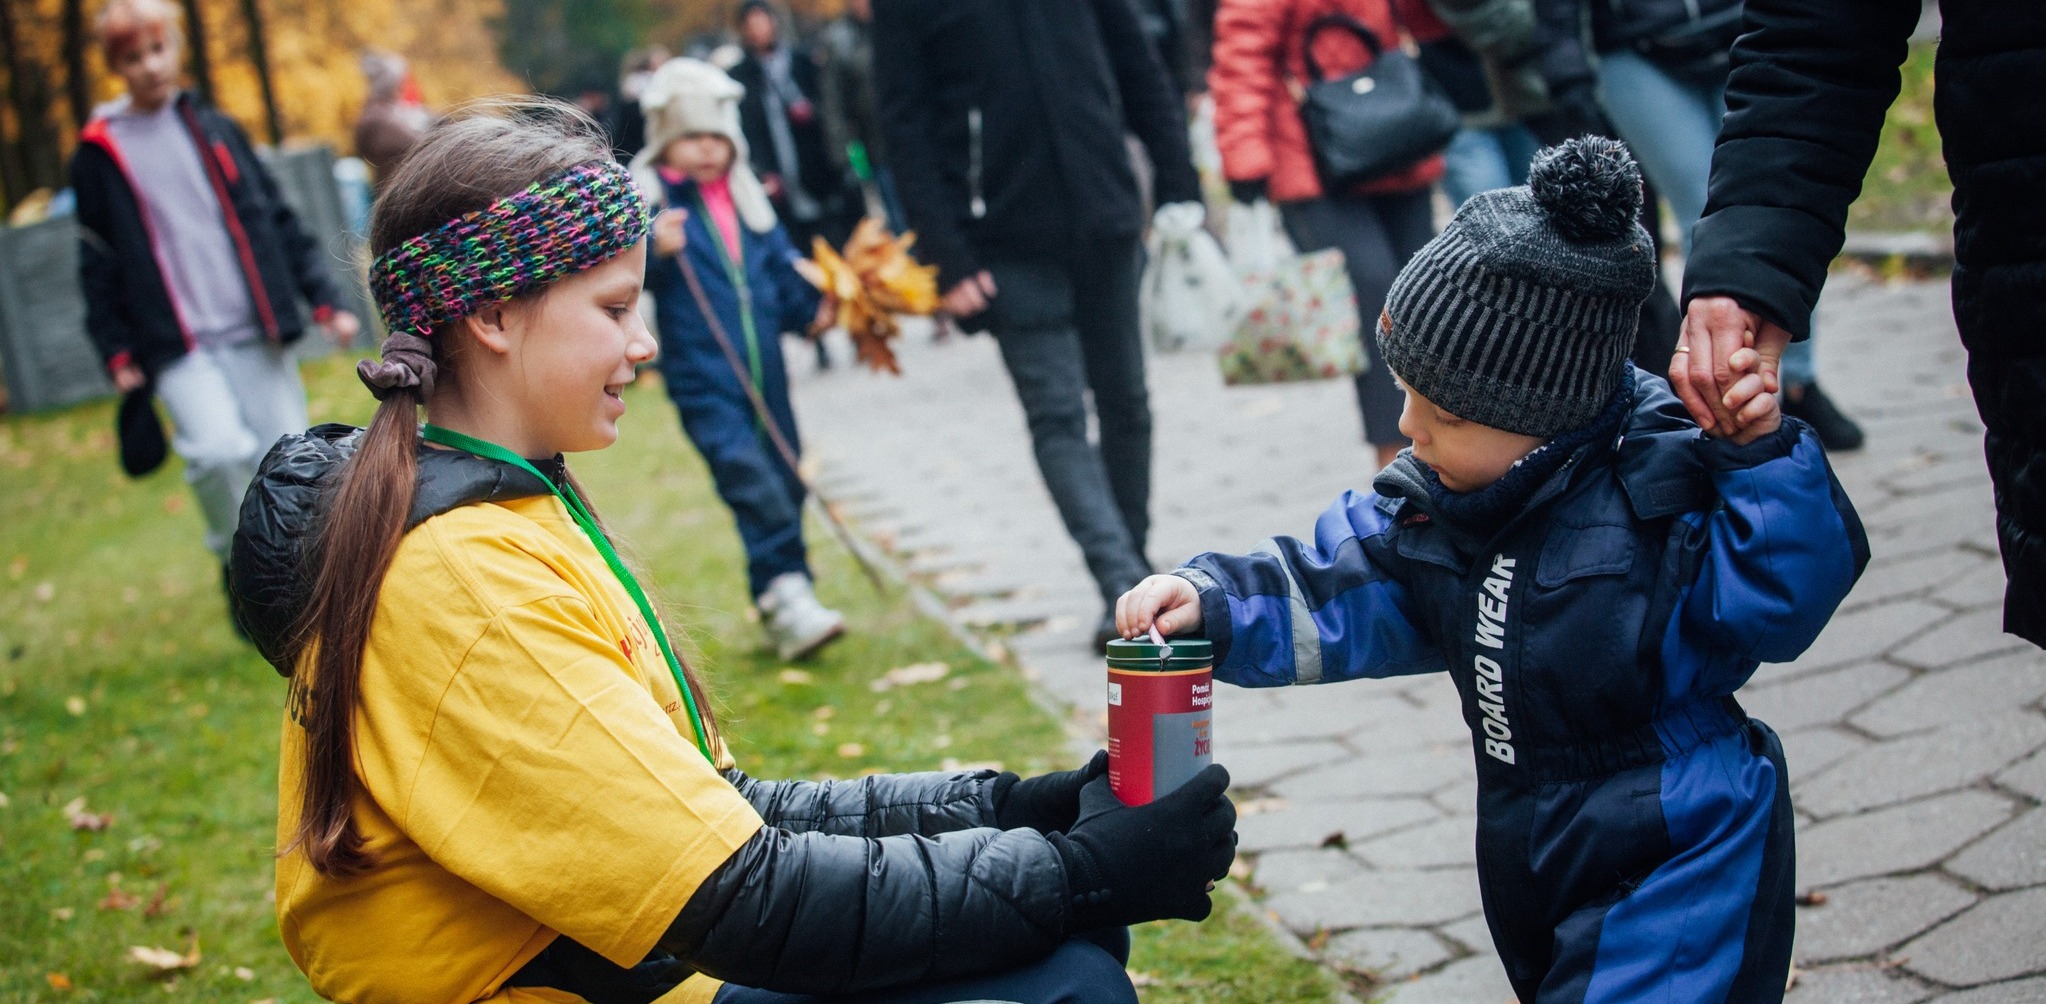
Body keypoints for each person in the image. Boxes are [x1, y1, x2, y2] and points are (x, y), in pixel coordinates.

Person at [225, 101, 1239, 1004]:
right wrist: (1076, 870)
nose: (645, 341)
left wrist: (1012, 806)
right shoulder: (464, 578)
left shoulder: (504, 505)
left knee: (1064, 940)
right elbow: (737, 892)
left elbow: (722, 809)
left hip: (626, 962)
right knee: (1061, 981)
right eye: (615, 307)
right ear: (492, 314)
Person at [1118, 139, 1869, 1003]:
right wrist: (1212, 603)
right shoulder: (1443, 508)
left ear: (1539, 416)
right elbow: (1338, 581)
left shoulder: (1665, 491)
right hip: (1527, 821)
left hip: (1677, 834)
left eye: (1440, 413)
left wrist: (1760, 463)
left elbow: (1786, 598)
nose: (1410, 430)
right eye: (1404, 396)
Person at [873, 0, 1202, 651]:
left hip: (1105, 212)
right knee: (1056, 415)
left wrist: (1177, 179)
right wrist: (947, 253)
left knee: (1127, 401)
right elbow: (902, 122)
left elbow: (1138, 67)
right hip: (1001, 241)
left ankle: (1130, 579)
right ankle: (1120, 577)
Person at [71, 0, 359, 617]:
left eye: (157, 50)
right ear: (115, 66)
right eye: (132, 57)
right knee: (217, 451)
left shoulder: (215, 128)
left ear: (174, 47)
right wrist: (116, 348)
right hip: (175, 343)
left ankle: (298, 583)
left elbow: (276, 219)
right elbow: (96, 263)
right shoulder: (97, 154)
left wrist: (326, 300)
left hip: (256, 326)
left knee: (283, 459)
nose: (149, 67)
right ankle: (239, 566)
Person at [1535, 0, 1865, 451]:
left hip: (1747, 24)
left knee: (1778, 206)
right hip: (1633, 45)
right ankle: (1733, 391)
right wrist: (1564, 61)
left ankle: (1797, 383)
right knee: (1707, 210)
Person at [630, 58, 845, 661]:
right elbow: (617, 275)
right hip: (703, 376)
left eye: (717, 139)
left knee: (785, 472)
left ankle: (786, 596)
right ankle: (786, 593)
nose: (706, 151)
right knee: (747, 476)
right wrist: (653, 249)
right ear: (667, 141)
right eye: (692, 138)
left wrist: (813, 310)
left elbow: (778, 269)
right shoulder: (653, 205)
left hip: (766, 372)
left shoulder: (748, 202)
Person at [1209, 0, 1448, 473]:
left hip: (1395, 132)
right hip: (1311, 157)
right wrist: (1245, 156)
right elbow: (1243, 54)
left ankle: (1452, 454)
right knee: (1379, 310)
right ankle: (1400, 469)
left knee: (1429, 304)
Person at [353, 49, 434, 183]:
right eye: (402, 81)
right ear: (391, 84)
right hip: (399, 190)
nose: (404, 86)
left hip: (403, 185)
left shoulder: (385, 112)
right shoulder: (379, 117)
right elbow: (422, 144)